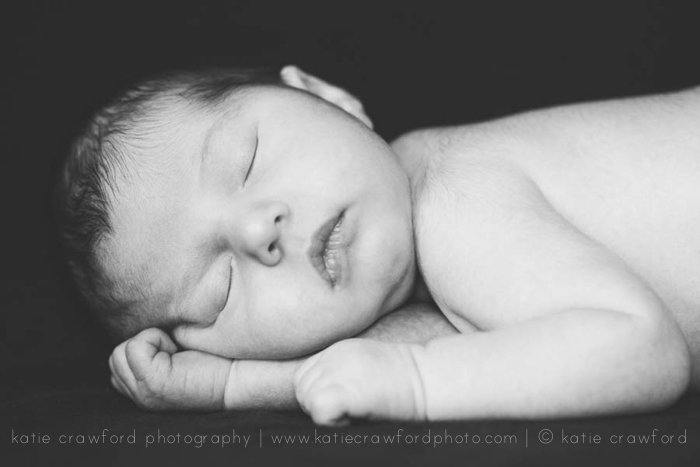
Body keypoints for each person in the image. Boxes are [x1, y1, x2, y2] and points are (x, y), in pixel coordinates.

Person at [54, 65, 698, 425]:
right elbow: (493, 345)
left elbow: (638, 348)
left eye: (247, 161)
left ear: (325, 96)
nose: (257, 231)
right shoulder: (419, 232)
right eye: (220, 290)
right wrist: (234, 386)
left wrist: (415, 385)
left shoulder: (455, 200)